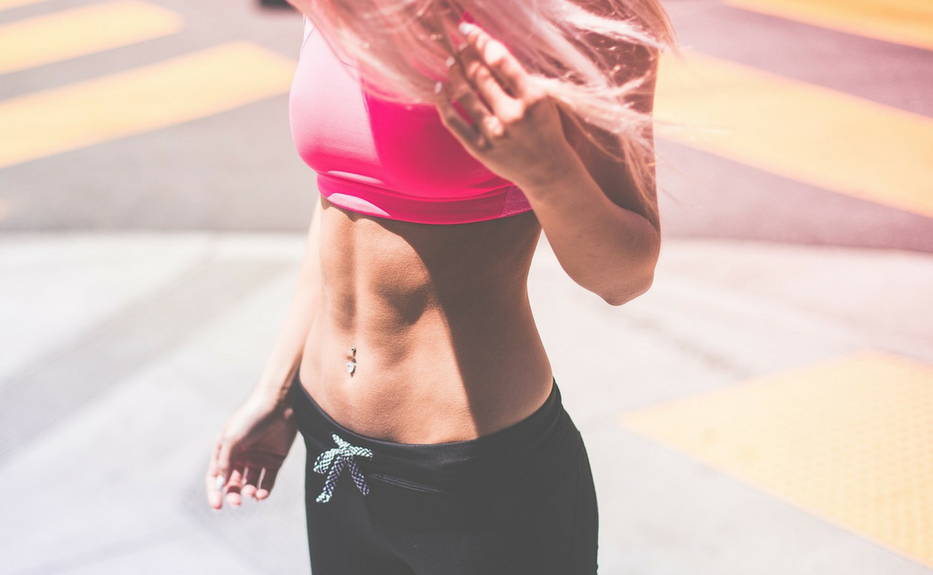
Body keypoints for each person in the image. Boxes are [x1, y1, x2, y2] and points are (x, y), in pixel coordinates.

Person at [205, 1, 674, 573]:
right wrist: (276, 392)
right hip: (330, 444)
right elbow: (338, 205)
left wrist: (546, 168)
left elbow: (625, 277)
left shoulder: (582, 14)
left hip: (479, 476)